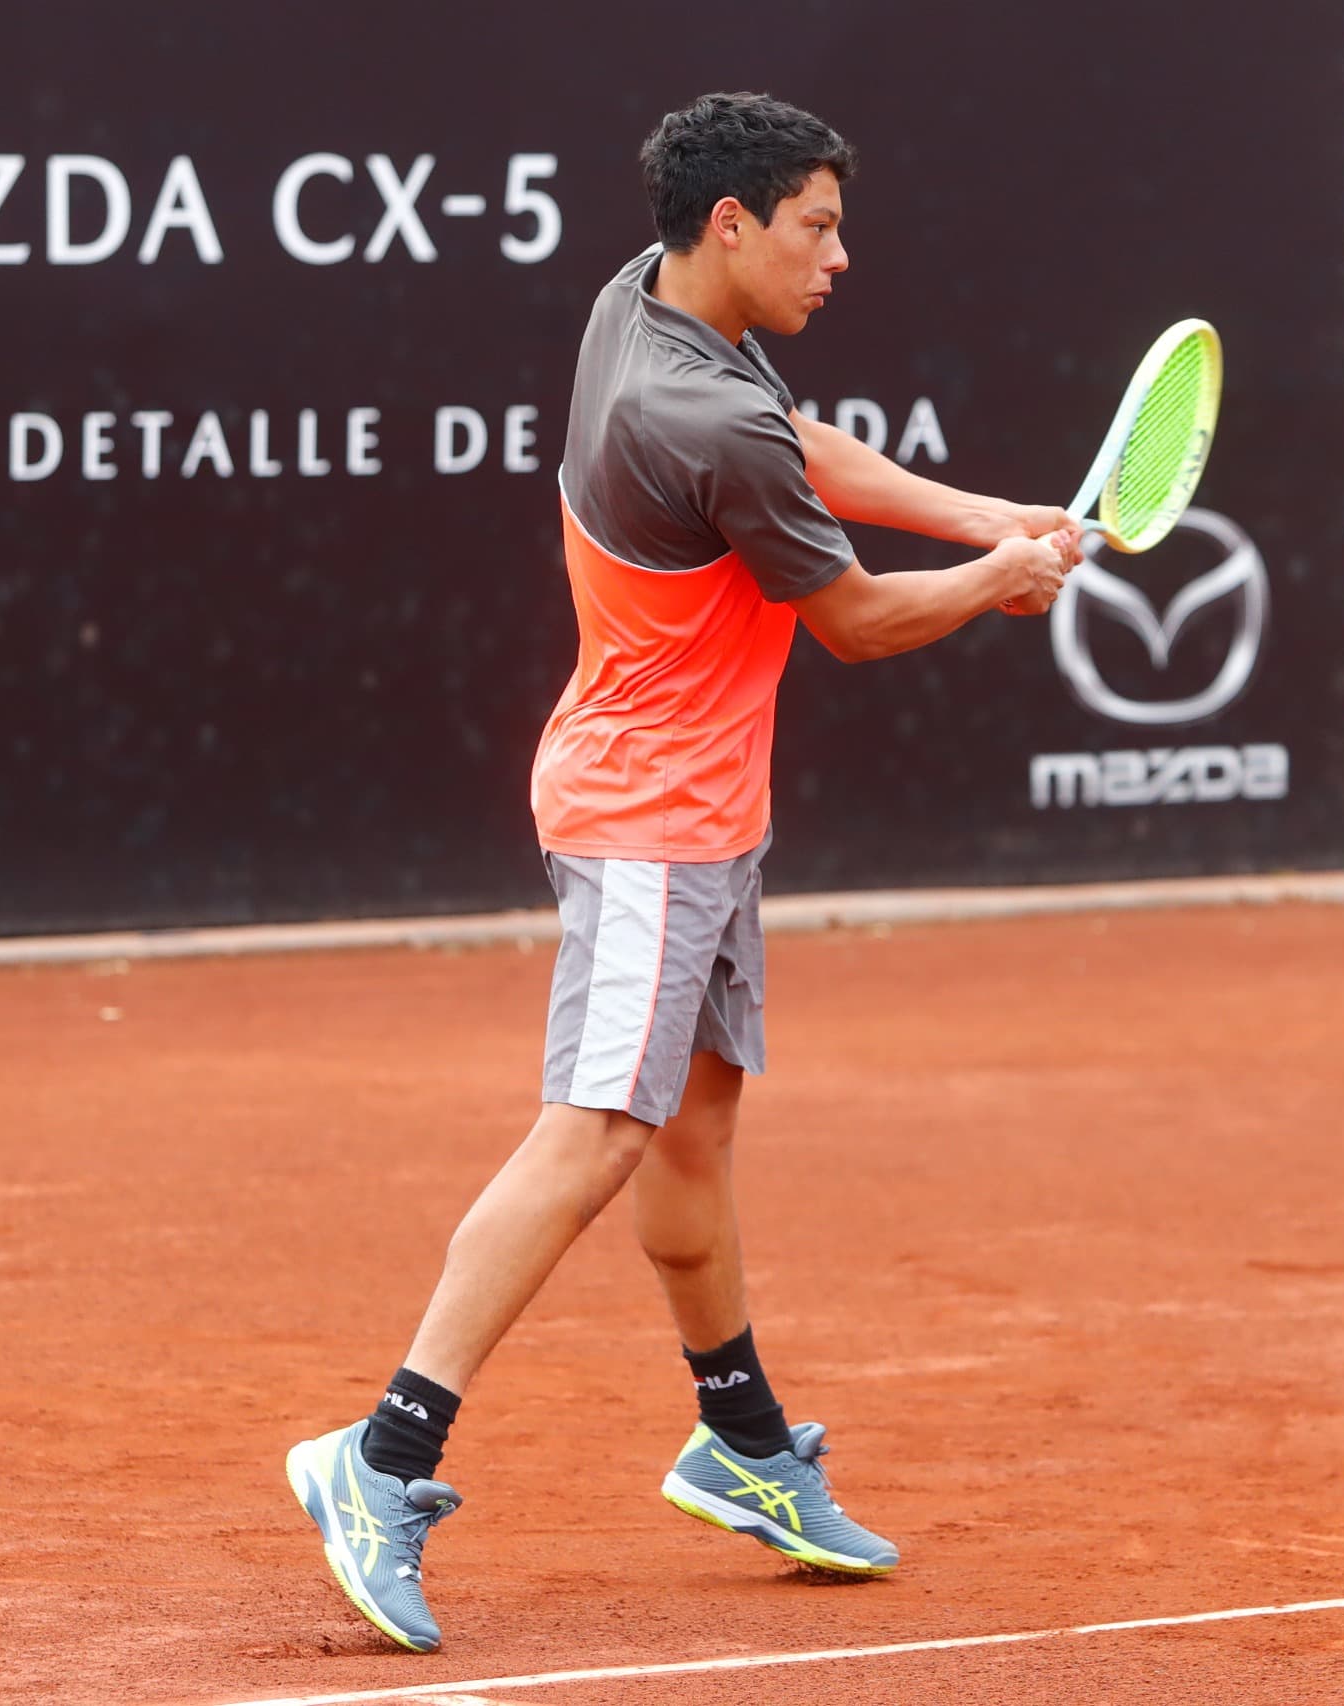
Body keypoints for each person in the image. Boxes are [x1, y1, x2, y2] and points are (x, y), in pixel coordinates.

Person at [286, 90, 1082, 1654]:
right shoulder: (693, 413)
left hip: (697, 812)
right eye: (817, 226)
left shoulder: (643, 304)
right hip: (648, 821)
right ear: (734, 225)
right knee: (593, 1137)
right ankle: (378, 1456)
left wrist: (981, 509)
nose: (840, 256)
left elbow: (797, 443)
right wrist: (994, 583)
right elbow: (850, 622)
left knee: (693, 1134)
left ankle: (740, 1441)